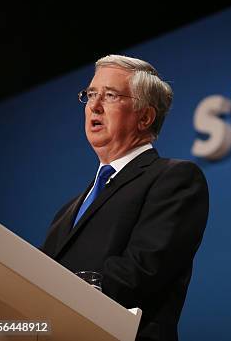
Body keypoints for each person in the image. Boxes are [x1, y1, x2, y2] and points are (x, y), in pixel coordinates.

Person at [41, 55, 209, 341]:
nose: (94, 106)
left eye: (110, 96)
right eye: (91, 94)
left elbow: (141, 271)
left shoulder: (174, 179)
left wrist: (62, 298)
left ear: (145, 117)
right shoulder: (67, 212)